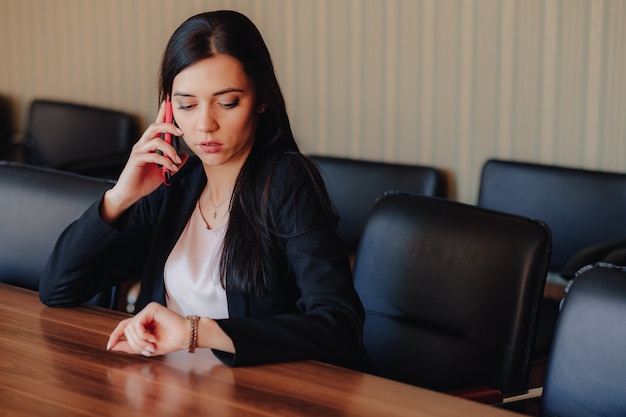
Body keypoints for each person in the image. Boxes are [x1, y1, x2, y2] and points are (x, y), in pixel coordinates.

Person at [39, 10, 369, 371]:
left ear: (261, 99)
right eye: (187, 105)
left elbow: (340, 325)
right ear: (168, 108)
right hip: (164, 387)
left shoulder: (285, 183)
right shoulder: (176, 183)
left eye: (227, 103)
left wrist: (197, 333)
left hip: (253, 394)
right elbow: (58, 289)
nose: (205, 125)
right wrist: (121, 196)